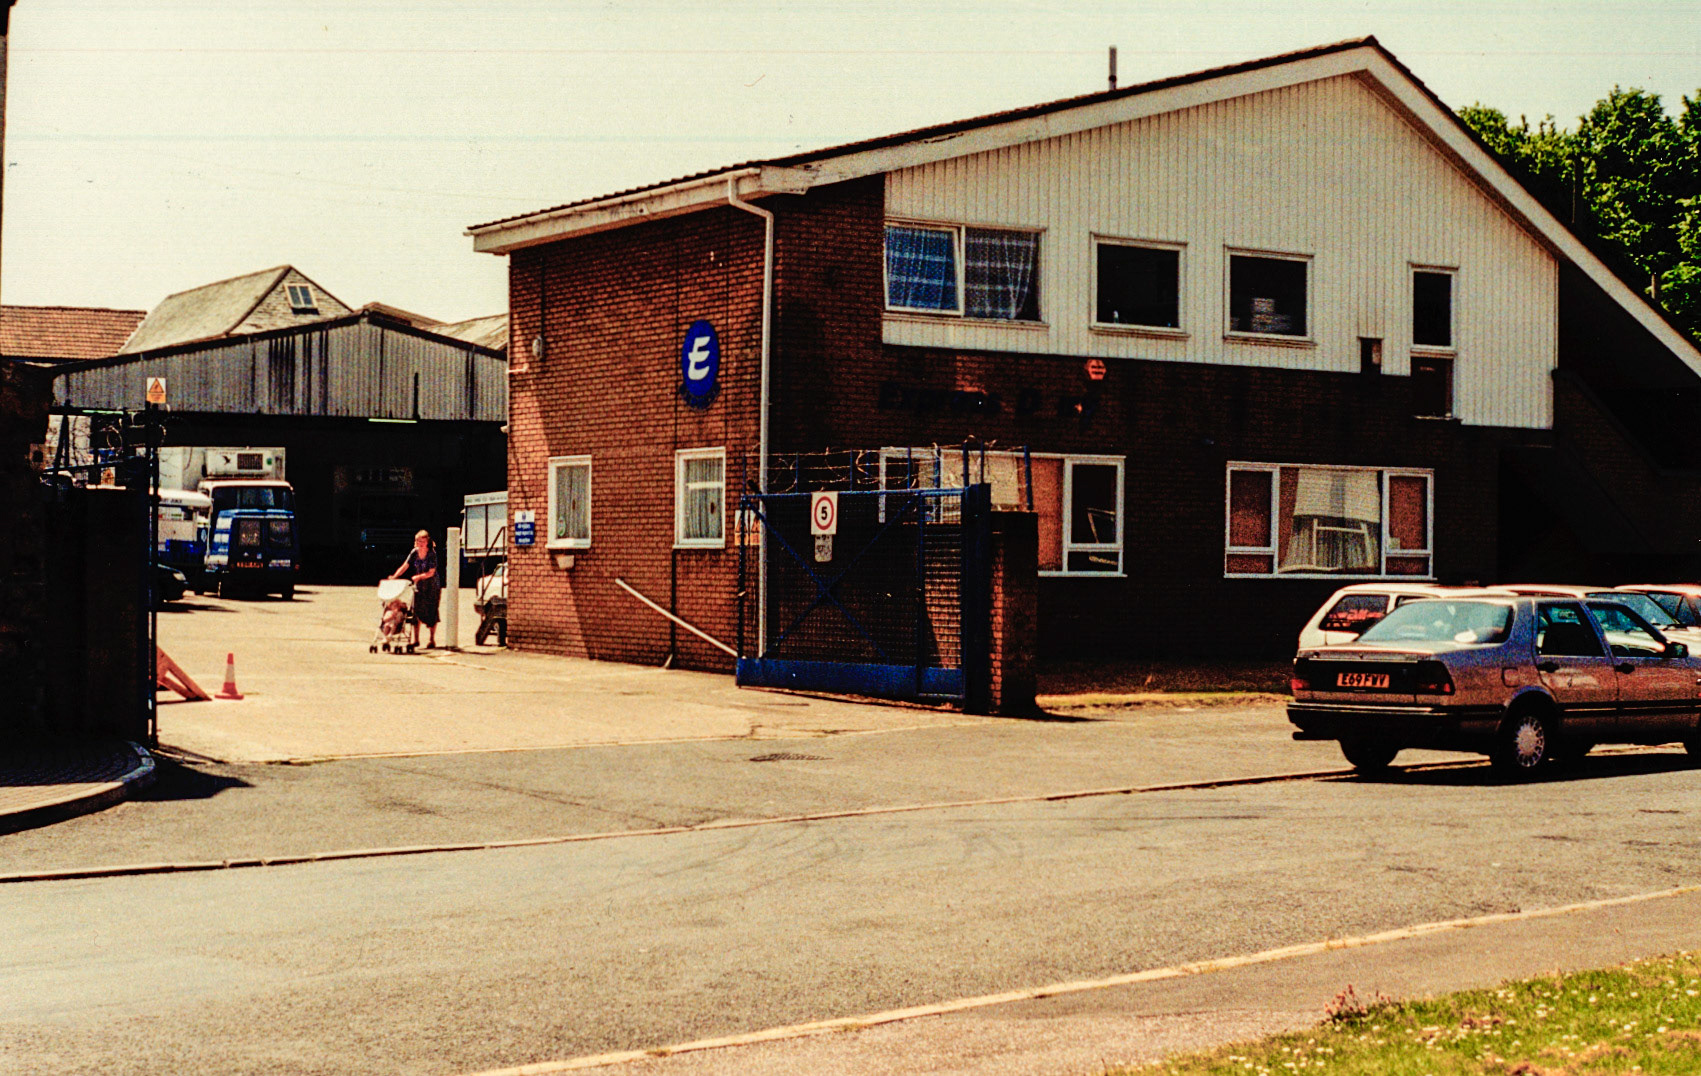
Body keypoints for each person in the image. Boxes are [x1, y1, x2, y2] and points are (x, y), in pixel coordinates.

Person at [389, 530, 440, 648]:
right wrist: (395, 576)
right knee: (416, 612)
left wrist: (419, 576)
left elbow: (431, 572)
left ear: (427, 542)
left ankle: (432, 639)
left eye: (422, 541)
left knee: (432, 612)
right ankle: (416, 640)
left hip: (432, 586)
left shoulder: (431, 553)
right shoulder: (414, 552)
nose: (420, 543)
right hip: (419, 587)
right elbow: (405, 566)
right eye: (418, 541)